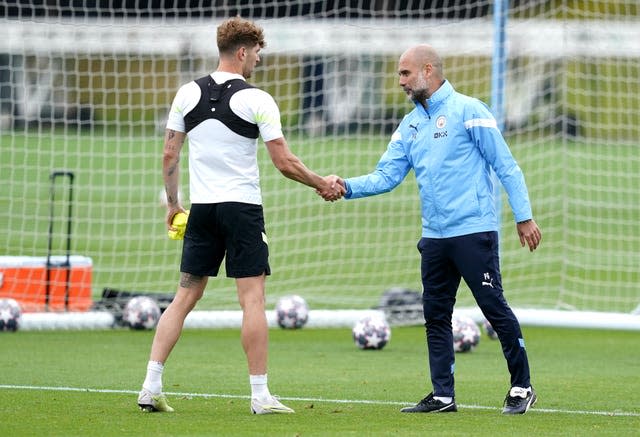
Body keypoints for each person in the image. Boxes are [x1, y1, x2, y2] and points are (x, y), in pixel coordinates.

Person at [137, 16, 344, 415]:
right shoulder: (257, 99)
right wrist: (321, 183)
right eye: (258, 55)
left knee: (184, 296)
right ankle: (260, 395)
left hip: (203, 210)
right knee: (252, 299)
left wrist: (173, 203)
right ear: (244, 52)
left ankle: (150, 385)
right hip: (242, 210)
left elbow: (169, 154)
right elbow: (284, 162)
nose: (259, 62)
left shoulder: (186, 94)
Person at [328, 44, 541, 415]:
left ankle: (522, 386)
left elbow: (507, 166)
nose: (400, 82)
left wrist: (523, 216)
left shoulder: (470, 111)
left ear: (428, 70)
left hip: (474, 232)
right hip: (435, 238)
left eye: (405, 73)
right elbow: (387, 176)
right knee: (436, 316)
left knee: (494, 307)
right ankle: (443, 395)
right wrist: (345, 186)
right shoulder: (408, 125)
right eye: (399, 74)